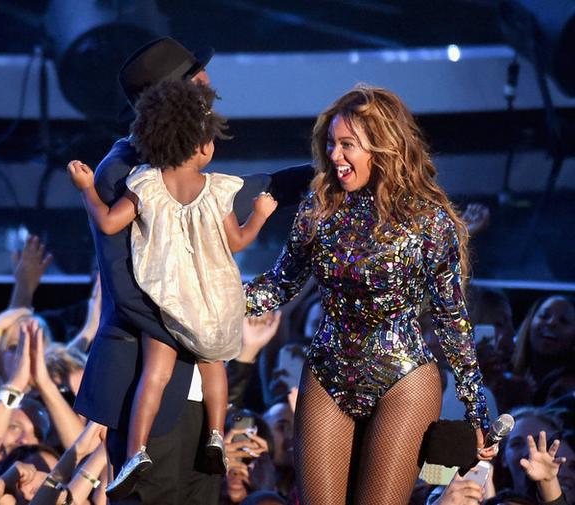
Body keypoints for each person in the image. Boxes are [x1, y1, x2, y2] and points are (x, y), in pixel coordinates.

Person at [245, 85, 494, 504]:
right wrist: (212, 298)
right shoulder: (318, 207)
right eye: (331, 144)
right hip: (327, 372)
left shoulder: (429, 221)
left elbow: (452, 319)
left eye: (347, 145)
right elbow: (280, 284)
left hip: (404, 378)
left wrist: (476, 409)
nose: (335, 156)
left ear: (383, 147)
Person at [69, 78, 278, 498]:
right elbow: (238, 240)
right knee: (214, 365)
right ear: (202, 147)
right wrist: (259, 215)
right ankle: (216, 435)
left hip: (166, 300)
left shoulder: (145, 184)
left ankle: (136, 451)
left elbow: (108, 222)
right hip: (211, 301)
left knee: (155, 374)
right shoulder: (217, 190)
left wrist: (87, 190)